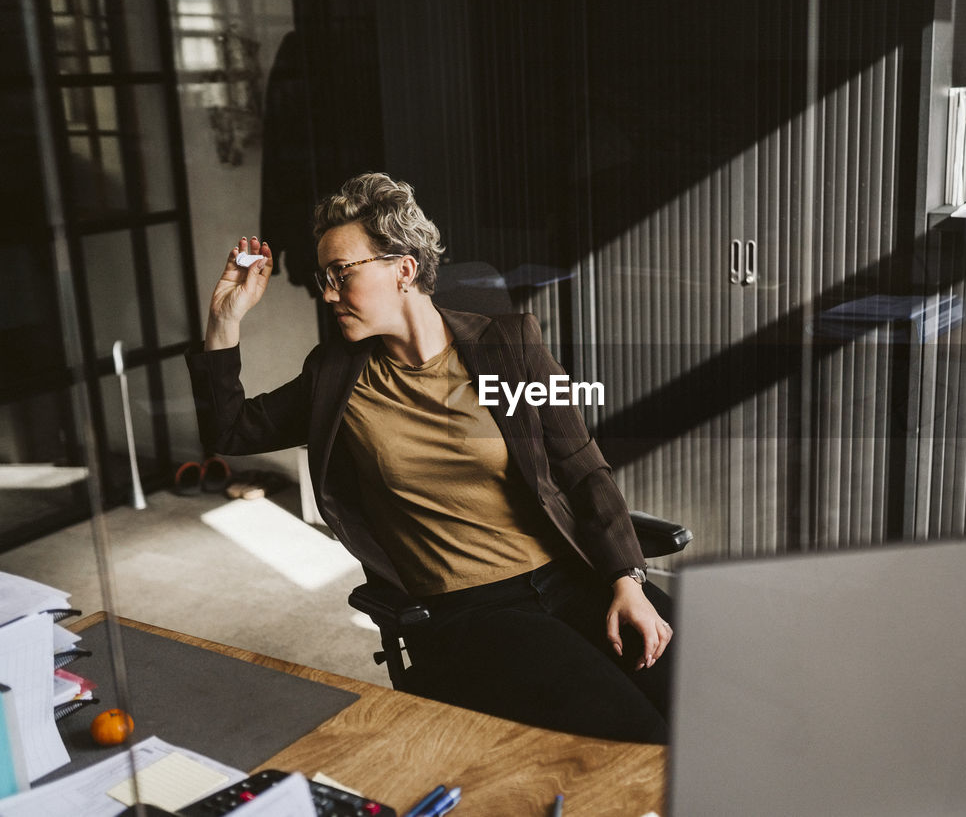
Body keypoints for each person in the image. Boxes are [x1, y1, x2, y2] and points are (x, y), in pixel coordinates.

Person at [187, 172, 673, 743]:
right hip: (472, 611)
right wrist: (225, 318)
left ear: (404, 268)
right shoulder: (335, 376)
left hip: (570, 574)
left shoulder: (509, 346)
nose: (328, 292)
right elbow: (230, 430)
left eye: (342, 272)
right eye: (325, 277)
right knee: (638, 737)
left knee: (716, 696)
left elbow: (582, 466)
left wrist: (626, 580)